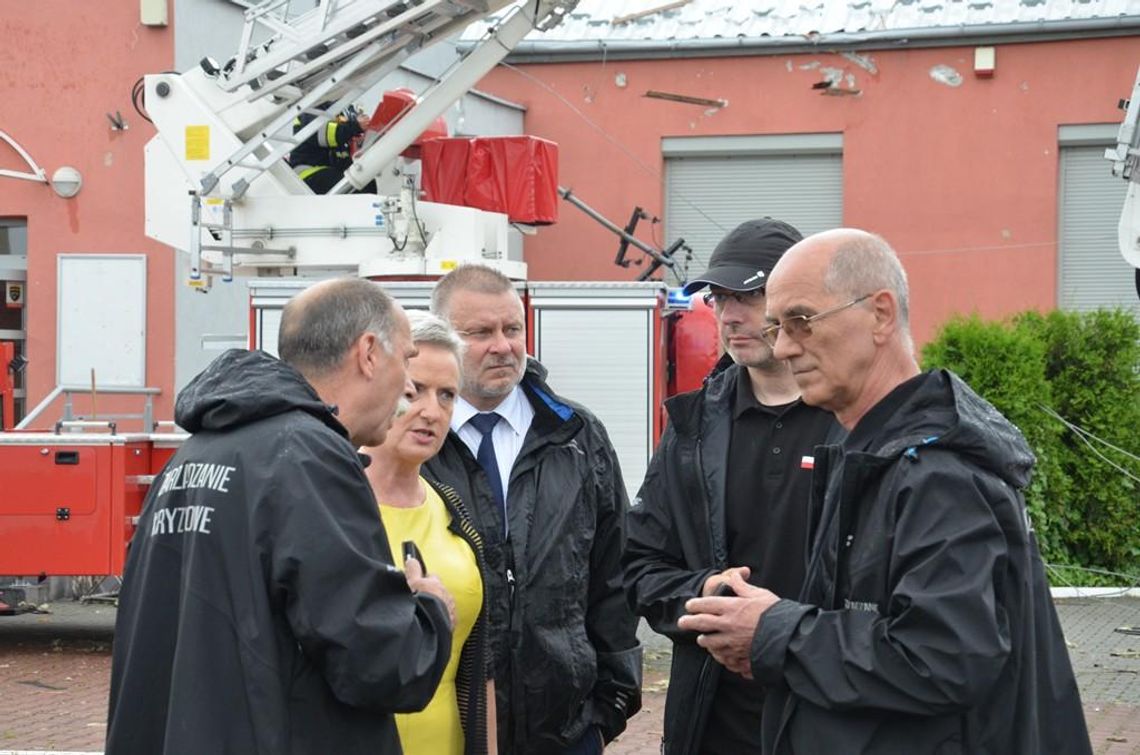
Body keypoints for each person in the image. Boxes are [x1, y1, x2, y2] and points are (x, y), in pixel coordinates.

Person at [678, 229, 1092, 754]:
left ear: (879, 314)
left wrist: (773, 631)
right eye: (777, 327)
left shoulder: (939, 473)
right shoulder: (875, 455)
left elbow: (943, 656)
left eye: (801, 320)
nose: (783, 346)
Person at [107, 277, 455, 755]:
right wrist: (431, 610)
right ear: (369, 353)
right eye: (408, 360)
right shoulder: (309, 457)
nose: (410, 386)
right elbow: (380, 663)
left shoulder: (191, 456)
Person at [622, 218, 840, 755]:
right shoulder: (694, 429)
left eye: (748, 295)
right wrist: (707, 597)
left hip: (834, 720)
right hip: (714, 727)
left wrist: (784, 630)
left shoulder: (855, 423)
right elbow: (638, 565)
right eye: (719, 297)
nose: (729, 315)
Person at [422, 264, 642, 755]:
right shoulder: (413, 442)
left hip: (566, 731)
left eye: (512, 328)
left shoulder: (577, 436)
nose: (502, 346)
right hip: (447, 728)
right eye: (479, 333)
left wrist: (608, 710)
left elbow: (615, 576)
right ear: (442, 340)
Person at [364, 310, 495, 755]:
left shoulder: (454, 509)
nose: (431, 411)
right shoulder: (328, 504)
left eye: (447, 396)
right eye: (414, 390)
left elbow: (481, 666)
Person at [288, 104, 369, 194]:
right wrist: (355, 126)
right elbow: (323, 133)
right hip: (307, 174)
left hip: (329, 171)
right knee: (355, 187)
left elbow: (343, 160)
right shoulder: (309, 111)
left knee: (366, 183)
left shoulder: (338, 116)